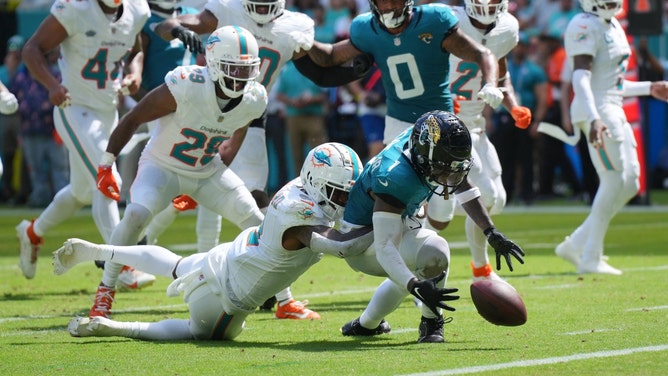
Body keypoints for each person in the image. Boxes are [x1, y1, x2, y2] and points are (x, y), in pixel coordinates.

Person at [151, 0, 367, 318]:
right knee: (188, 189)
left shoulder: (292, 26)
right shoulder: (227, 9)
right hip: (208, 109)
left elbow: (322, 65)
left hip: (250, 116)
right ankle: (167, 251)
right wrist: (178, 29)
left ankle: (274, 294)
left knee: (253, 201)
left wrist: (363, 57)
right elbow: (167, 25)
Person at [55, 142, 374, 341]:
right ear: (318, 183)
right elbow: (341, 245)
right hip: (228, 299)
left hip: (226, 255)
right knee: (199, 332)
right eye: (340, 191)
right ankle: (117, 328)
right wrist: (382, 222)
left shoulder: (297, 188)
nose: (345, 197)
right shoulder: (302, 215)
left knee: (175, 264)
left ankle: (102, 250)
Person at [88, 25, 267, 318]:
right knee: (135, 216)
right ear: (213, 64)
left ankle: (284, 298)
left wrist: (211, 177)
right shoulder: (187, 84)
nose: (239, 78)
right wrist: (106, 163)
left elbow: (234, 139)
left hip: (206, 171)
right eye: (232, 68)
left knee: (257, 220)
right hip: (161, 166)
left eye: (246, 70)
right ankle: (105, 290)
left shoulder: (255, 98)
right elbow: (133, 118)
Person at [338, 110, 525, 343]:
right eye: (444, 167)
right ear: (424, 157)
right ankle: (431, 323)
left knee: (415, 265)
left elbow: (462, 185)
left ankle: (366, 325)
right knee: (433, 251)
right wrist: (414, 285)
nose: (450, 174)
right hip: (361, 242)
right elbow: (386, 248)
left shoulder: (430, 147)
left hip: (391, 225)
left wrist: (491, 232)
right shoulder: (395, 175)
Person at [16, 0, 150, 280]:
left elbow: (136, 50)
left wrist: (134, 73)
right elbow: (31, 49)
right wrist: (52, 85)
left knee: (80, 193)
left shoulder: (137, 9)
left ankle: (32, 232)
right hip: (73, 107)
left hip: (107, 111)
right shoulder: (75, 8)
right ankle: (121, 264)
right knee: (106, 179)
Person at [420, 0, 533, 282]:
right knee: (485, 196)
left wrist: (513, 106)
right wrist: (439, 101)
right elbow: (424, 67)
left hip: (476, 126)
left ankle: (430, 202)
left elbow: (502, 76)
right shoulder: (448, 21)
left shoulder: (507, 28)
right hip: (449, 124)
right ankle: (478, 265)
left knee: (499, 199)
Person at [555, 0, 668, 275]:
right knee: (614, 178)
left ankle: (574, 244)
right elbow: (582, 79)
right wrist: (594, 117)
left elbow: (612, 84)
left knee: (630, 183)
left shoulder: (613, 23)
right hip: (598, 109)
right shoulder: (583, 24)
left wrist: (648, 88)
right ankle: (591, 256)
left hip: (611, 106)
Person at [305, 0, 505, 146]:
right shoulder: (366, 29)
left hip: (440, 117)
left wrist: (491, 84)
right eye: (384, 1)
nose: (390, 6)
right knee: (402, 192)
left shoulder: (433, 21)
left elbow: (482, 53)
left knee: (444, 199)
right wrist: (305, 40)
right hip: (398, 121)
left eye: (396, 0)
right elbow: (330, 57)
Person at [10, 46, 69, 208]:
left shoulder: (55, 74)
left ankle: (64, 201)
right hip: (29, 129)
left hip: (53, 129)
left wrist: (61, 129)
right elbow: (12, 102)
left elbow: (67, 103)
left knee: (60, 167)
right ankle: (40, 198)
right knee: (35, 169)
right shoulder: (20, 77)